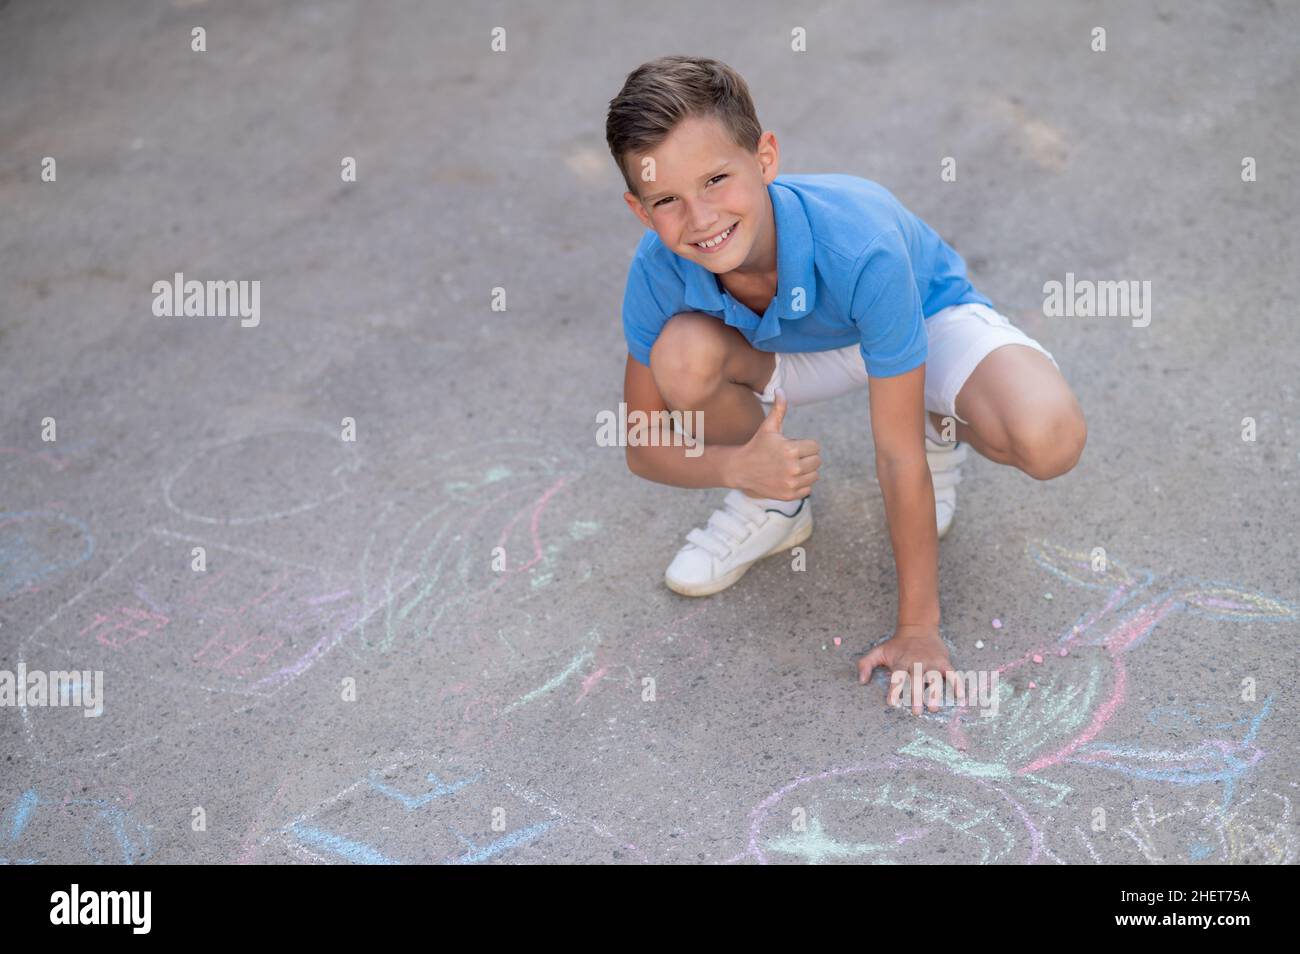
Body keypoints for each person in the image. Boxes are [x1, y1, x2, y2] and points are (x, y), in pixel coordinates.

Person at [605, 56, 1086, 713]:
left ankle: (937, 422)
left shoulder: (860, 243)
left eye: (717, 179)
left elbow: (893, 456)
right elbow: (641, 444)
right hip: (794, 350)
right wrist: (740, 466)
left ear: (765, 157)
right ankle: (773, 507)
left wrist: (918, 628)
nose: (700, 217)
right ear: (639, 209)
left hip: (918, 321)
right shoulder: (656, 270)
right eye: (668, 200)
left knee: (1048, 437)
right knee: (681, 355)